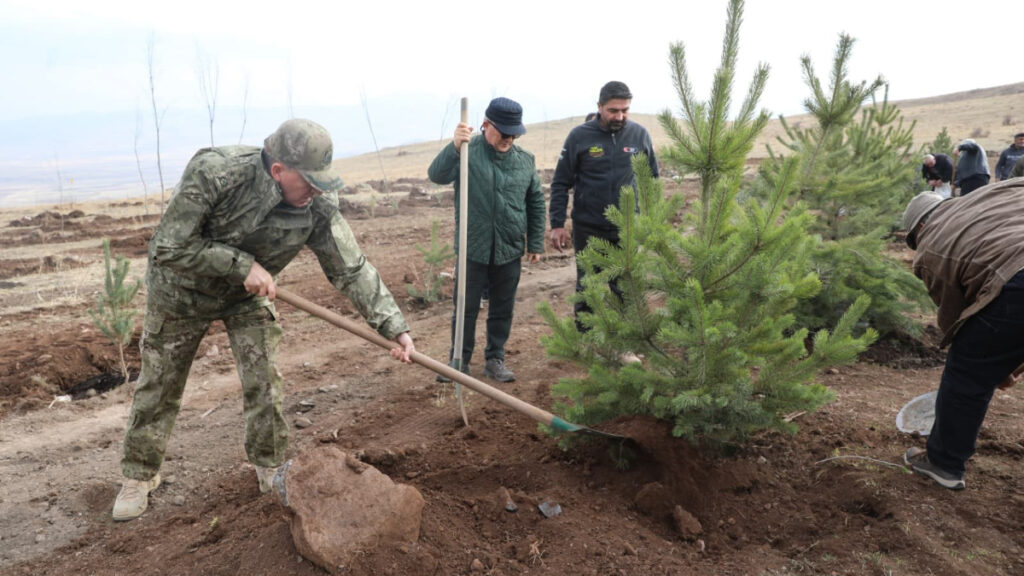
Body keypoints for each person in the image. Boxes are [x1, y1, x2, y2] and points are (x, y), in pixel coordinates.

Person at [112, 119, 416, 521]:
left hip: (247, 297)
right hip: (182, 291)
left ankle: (269, 467)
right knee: (161, 384)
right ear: (278, 171)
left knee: (264, 381)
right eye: (309, 181)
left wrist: (393, 326)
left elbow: (351, 269)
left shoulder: (318, 203)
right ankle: (139, 474)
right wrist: (240, 264)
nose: (317, 190)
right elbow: (169, 245)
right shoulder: (217, 173)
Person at [900, 180, 1024, 490]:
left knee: (967, 369)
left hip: (1018, 275)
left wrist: (990, 365)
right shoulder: (993, 193)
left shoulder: (931, 243)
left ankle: (943, 463)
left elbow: (957, 318)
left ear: (921, 226)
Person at [427, 97, 545, 383]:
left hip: (509, 246)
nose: (509, 138)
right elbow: (436, 175)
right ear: (486, 125)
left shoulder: (525, 161)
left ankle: (495, 359)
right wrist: (455, 147)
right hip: (473, 246)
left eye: (514, 133)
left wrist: (536, 242)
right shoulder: (468, 152)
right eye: (503, 132)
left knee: (503, 306)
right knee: (465, 307)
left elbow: (536, 202)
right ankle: (459, 361)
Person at [548, 81, 659, 334]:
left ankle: (626, 339)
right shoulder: (579, 136)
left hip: (626, 227)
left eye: (625, 110)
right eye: (613, 110)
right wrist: (556, 223)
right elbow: (561, 182)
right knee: (588, 285)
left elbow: (651, 181)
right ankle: (586, 339)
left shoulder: (640, 135)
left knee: (626, 286)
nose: (619, 116)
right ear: (599, 107)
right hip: (588, 226)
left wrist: (650, 223)